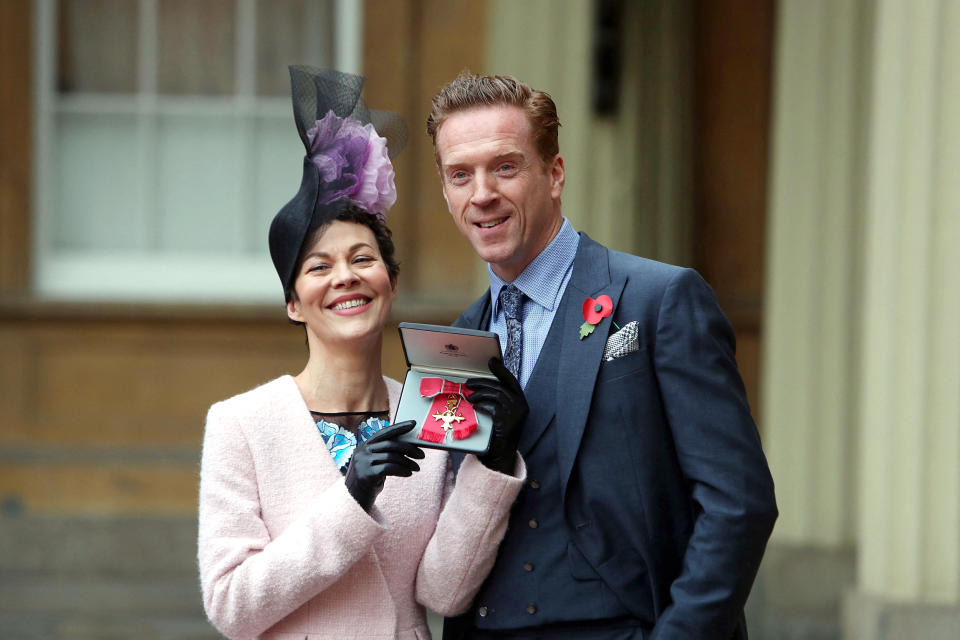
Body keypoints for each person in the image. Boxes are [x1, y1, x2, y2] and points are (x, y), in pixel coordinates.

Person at [427, 72, 778, 639]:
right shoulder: (457, 343)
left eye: (505, 167)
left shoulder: (659, 299)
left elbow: (739, 503)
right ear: (446, 193)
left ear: (555, 173)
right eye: (460, 175)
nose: (482, 193)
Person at [198, 67, 527, 640]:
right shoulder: (241, 425)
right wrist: (352, 496)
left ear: (391, 283)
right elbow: (232, 605)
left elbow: (442, 591)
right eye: (319, 267)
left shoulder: (428, 408)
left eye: (363, 259)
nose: (345, 278)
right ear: (294, 303)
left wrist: (492, 463)